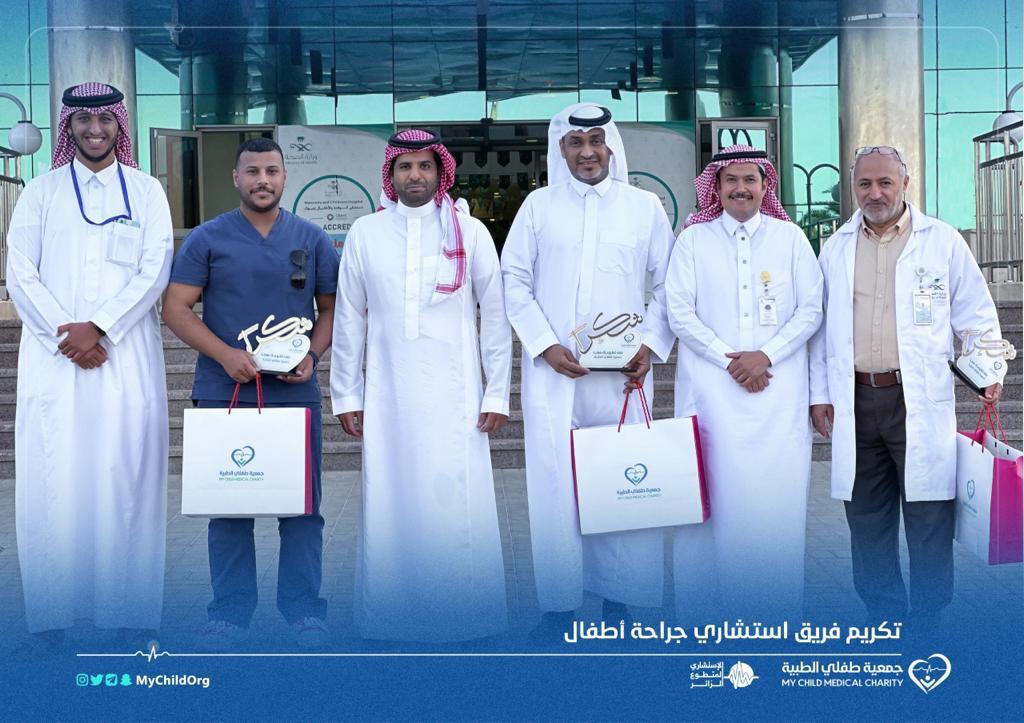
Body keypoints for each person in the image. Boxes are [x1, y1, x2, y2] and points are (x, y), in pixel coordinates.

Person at [5, 82, 173, 652]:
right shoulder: (40, 192)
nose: (95, 129)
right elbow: (20, 273)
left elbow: (155, 268)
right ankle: (51, 619)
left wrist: (99, 327)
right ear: (68, 127)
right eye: (84, 120)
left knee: (129, 478)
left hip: (126, 359)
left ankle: (132, 614)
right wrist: (68, 334)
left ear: (119, 125)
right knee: (53, 481)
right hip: (54, 361)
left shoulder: (147, 191)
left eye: (105, 119)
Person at [502, 103, 676, 639]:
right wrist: (545, 345)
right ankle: (558, 606)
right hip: (554, 375)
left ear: (611, 147)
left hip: (623, 376)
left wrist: (651, 345)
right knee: (555, 486)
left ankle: (620, 601)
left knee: (623, 480)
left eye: (596, 141)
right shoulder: (537, 207)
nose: (587, 153)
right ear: (561, 150)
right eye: (576, 143)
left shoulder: (644, 207)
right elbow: (514, 281)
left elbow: (669, 285)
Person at [809, 145, 1001, 628]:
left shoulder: (942, 241)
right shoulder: (835, 247)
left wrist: (988, 371)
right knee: (866, 515)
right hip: (855, 397)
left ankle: (929, 616)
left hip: (917, 395)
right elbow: (820, 327)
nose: (874, 193)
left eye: (885, 183)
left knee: (929, 512)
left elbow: (976, 315)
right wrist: (820, 394)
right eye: (864, 184)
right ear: (853, 188)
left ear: (905, 184)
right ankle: (883, 614)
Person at [331, 129, 511, 642]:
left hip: (457, 395)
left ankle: (467, 617)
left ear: (441, 172)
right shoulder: (366, 232)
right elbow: (350, 319)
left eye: (425, 166)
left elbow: (495, 317)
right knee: (391, 501)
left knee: (458, 505)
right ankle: (392, 617)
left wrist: (497, 391)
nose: (415, 175)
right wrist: (346, 393)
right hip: (388, 395)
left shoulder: (469, 231)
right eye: (405, 166)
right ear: (391, 174)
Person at [162, 137, 338, 650]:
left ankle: (304, 612)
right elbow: (175, 308)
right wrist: (224, 355)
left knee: (302, 509)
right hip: (226, 391)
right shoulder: (207, 238)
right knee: (228, 506)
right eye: (253, 171)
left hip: (294, 393)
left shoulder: (312, 238)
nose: (263, 180)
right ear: (236, 178)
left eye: (272, 171)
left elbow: (331, 309)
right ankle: (229, 615)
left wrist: (312, 357)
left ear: (285, 177)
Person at [666, 145, 823, 620]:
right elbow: (678, 312)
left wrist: (765, 356)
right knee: (708, 503)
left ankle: (772, 616)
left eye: (749, 179)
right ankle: (703, 618)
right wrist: (729, 359)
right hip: (711, 397)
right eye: (730, 180)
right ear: (715, 187)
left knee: (774, 507)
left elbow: (812, 310)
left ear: (765, 185)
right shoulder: (693, 240)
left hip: (778, 399)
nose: (740, 188)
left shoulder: (790, 238)